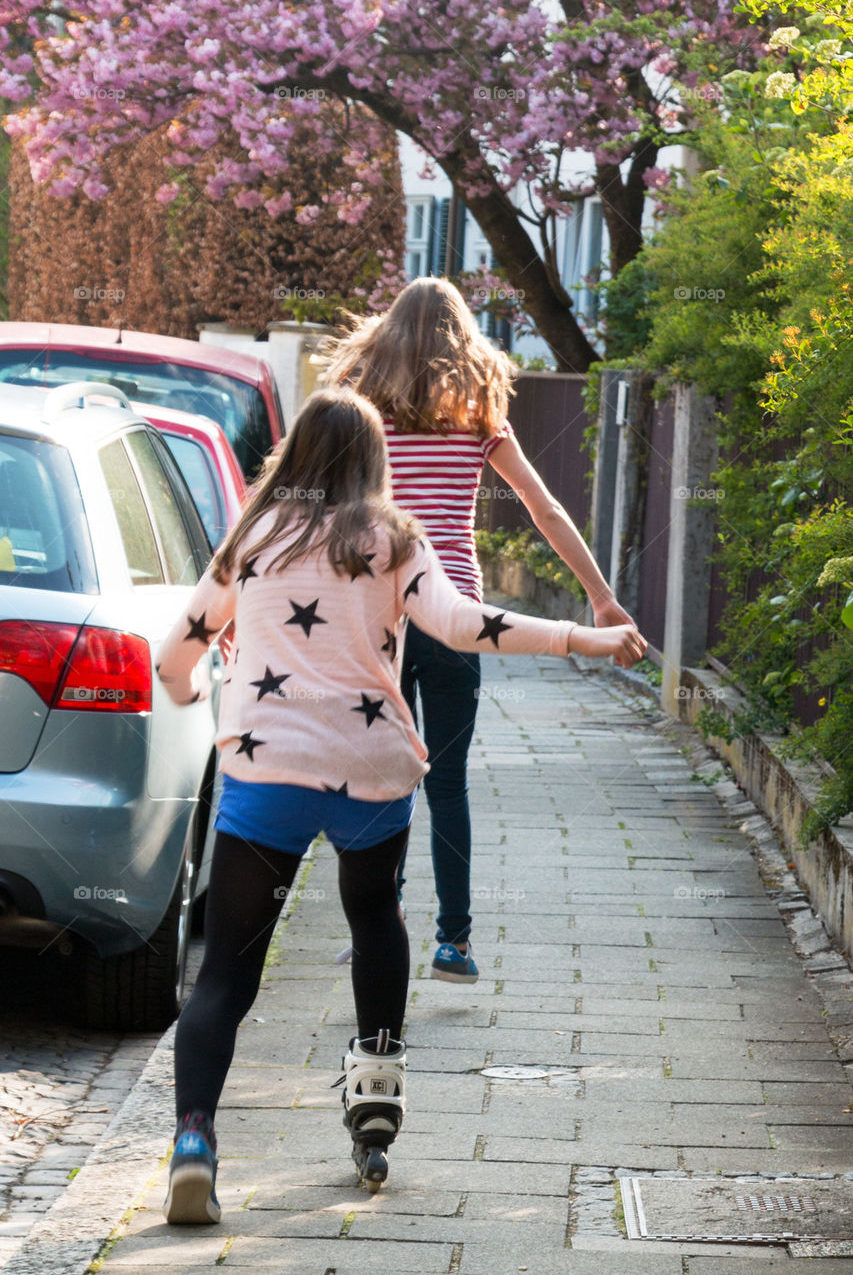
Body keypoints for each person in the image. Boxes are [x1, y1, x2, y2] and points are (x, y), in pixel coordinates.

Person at [154, 386, 646, 1223]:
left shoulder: (253, 539)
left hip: (267, 770)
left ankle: (194, 1140)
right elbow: (460, 624)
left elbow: (176, 656)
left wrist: (208, 690)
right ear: (371, 463)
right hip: (369, 767)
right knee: (375, 915)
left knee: (227, 974)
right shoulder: (393, 538)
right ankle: (375, 1096)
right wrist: (582, 637)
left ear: (295, 457)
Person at [323, 277, 639, 984]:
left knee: (382, 773)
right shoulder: (476, 410)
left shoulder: (362, 407)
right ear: (460, 335)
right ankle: (453, 944)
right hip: (461, 619)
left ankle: (381, 924)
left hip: (379, 614)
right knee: (448, 780)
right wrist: (601, 599)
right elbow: (543, 506)